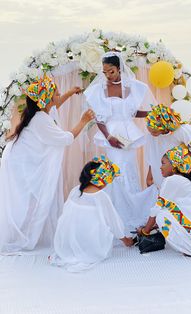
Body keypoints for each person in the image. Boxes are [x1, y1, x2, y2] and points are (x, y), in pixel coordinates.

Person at [0, 74, 95, 254]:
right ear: (46, 100)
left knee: (32, 199)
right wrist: (83, 121)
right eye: (56, 94)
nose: (59, 96)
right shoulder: (41, 121)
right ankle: (20, 236)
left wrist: (69, 93)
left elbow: (54, 105)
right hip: (20, 164)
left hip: (22, 158)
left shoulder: (40, 111)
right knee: (24, 201)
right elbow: (66, 139)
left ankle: (28, 230)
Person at [84, 51, 157, 233]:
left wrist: (149, 113)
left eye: (111, 71)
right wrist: (109, 137)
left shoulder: (132, 87)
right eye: (105, 72)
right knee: (116, 171)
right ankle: (117, 216)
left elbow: (131, 113)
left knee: (130, 169)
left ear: (119, 69)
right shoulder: (99, 90)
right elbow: (99, 119)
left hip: (128, 134)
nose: (108, 75)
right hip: (111, 135)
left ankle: (133, 213)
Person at [50, 155, 133, 272]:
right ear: (103, 180)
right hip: (92, 246)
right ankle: (88, 249)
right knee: (102, 224)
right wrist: (126, 240)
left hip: (71, 240)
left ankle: (70, 250)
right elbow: (113, 222)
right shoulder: (101, 197)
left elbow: (66, 217)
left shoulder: (75, 190)